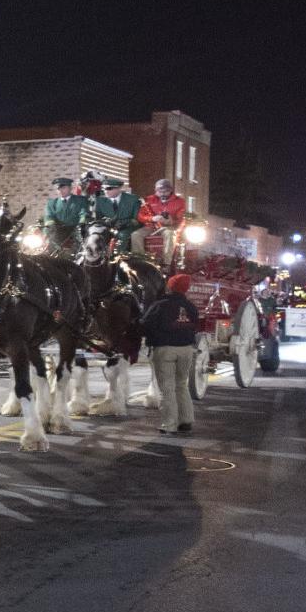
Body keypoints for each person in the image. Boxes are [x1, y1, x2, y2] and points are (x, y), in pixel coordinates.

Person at [143, 273, 201, 435]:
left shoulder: (160, 305)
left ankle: (169, 424)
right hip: (186, 349)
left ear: (170, 286)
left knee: (167, 388)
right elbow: (195, 325)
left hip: (165, 349)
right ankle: (186, 420)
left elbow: (146, 325)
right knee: (181, 384)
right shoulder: (191, 307)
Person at [135, 179, 187, 262]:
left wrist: (171, 220)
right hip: (151, 226)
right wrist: (151, 218)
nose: (162, 193)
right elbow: (140, 216)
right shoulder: (148, 200)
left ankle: (167, 263)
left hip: (168, 227)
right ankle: (139, 260)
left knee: (170, 234)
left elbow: (180, 218)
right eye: (160, 191)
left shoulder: (179, 201)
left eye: (165, 191)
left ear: (170, 190)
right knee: (136, 234)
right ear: (155, 190)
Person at [90, 177, 143, 255]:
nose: (106, 191)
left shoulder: (133, 199)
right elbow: (98, 219)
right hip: (108, 226)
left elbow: (137, 219)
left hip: (127, 227)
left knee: (122, 235)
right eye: (104, 189)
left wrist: (126, 224)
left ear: (119, 188)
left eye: (109, 188)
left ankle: (118, 258)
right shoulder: (100, 201)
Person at [41, 177, 89, 253]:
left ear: (70, 188)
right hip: (57, 232)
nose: (60, 190)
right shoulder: (52, 203)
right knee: (44, 249)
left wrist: (82, 222)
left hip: (75, 231)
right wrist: (52, 224)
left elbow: (84, 213)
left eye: (63, 187)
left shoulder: (81, 200)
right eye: (58, 189)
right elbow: (49, 216)